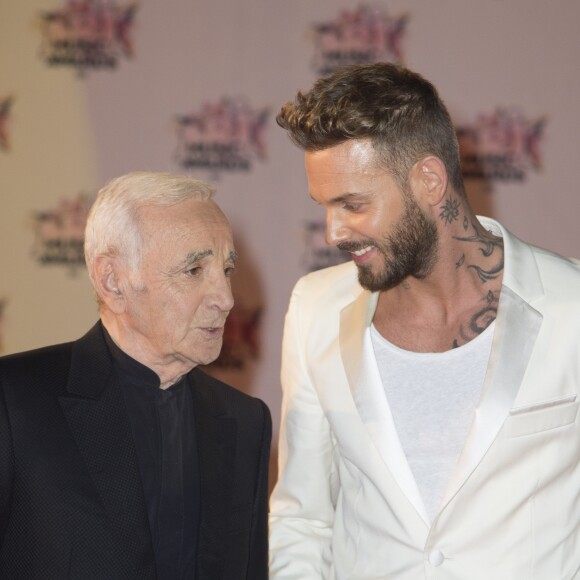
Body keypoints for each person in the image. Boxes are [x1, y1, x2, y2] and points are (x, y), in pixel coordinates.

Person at [268, 63, 580, 578]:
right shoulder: (314, 308)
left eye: (353, 204)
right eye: (324, 207)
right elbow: (303, 519)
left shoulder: (570, 306)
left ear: (430, 181)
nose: (333, 232)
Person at [0, 171, 271, 579]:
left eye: (227, 271)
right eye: (194, 271)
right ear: (113, 281)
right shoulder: (15, 401)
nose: (226, 299)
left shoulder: (245, 421)